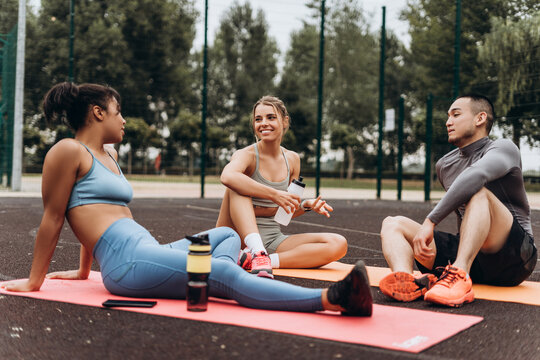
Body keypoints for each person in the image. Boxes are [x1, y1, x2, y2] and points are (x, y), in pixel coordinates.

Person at [0, 82, 373, 317]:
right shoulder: (67, 150)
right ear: (98, 113)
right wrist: (35, 281)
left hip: (144, 246)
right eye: (119, 112)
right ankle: (331, 299)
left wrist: (84, 271)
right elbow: (55, 216)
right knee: (222, 270)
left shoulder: (108, 156)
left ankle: (224, 282)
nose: (124, 120)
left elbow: (93, 209)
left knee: (227, 239)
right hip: (126, 263)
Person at [379, 94, 537, 307]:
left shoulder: (503, 148)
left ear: (480, 118)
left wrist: (431, 221)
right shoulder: (445, 165)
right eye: (448, 116)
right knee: (392, 223)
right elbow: (464, 216)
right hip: (475, 259)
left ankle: (460, 273)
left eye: (456, 114)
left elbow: (476, 176)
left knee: (478, 192)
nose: (448, 122)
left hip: (514, 258)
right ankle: (406, 281)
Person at [216, 95, 347, 279]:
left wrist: (306, 205)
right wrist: (275, 195)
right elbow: (227, 176)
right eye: (258, 119)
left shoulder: (292, 159)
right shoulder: (246, 155)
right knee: (237, 183)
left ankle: (263, 260)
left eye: (271, 117)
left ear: (285, 121)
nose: (263, 123)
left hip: (272, 239)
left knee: (338, 243)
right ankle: (256, 250)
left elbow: (283, 214)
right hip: (235, 240)